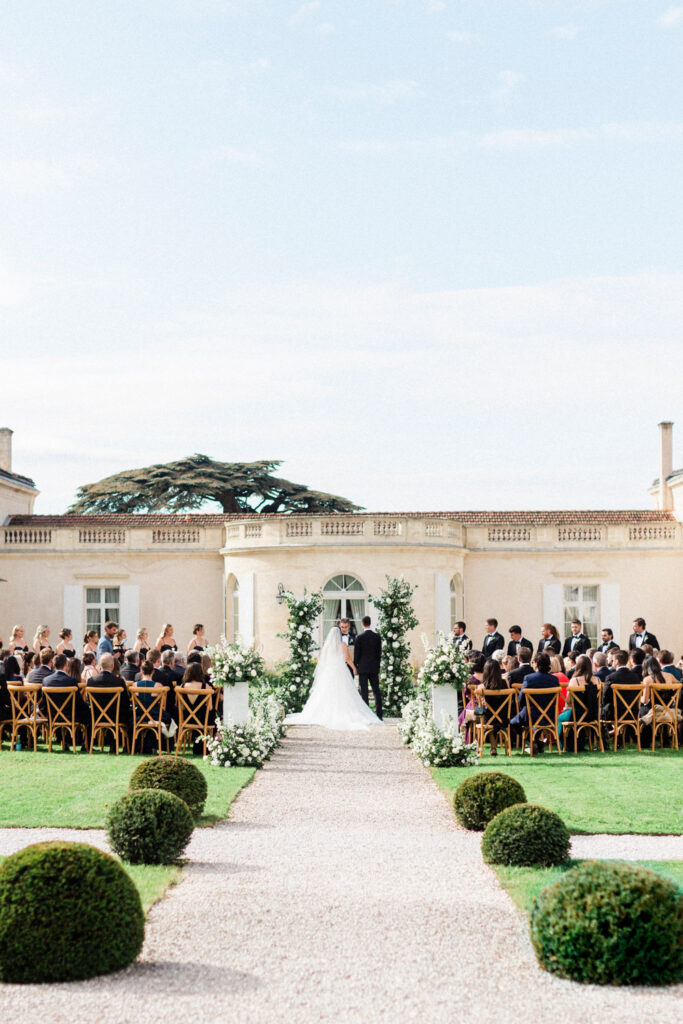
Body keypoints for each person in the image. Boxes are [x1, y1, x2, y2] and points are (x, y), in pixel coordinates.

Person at [285, 626, 380, 730]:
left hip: (329, 671)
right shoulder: (343, 645)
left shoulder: (326, 646)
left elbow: (322, 660)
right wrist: (354, 668)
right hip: (341, 670)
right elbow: (347, 658)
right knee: (344, 692)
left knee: (326, 692)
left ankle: (326, 712)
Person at [510, 651, 559, 752]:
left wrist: (524, 709)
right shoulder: (554, 680)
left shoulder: (529, 678)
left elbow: (521, 700)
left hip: (531, 715)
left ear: (536, 663)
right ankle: (538, 742)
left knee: (512, 723)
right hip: (550, 715)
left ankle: (531, 742)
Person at [558, 654, 600, 750]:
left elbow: (568, 701)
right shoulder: (597, 680)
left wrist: (565, 707)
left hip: (577, 714)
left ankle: (563, 745)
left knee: (560, 718)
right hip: (593, 714)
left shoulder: (574, 681)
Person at [475, 657, 509, 755]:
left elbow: (479, 708)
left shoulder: (481, 687)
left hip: (488, 719)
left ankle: (482, 745)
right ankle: (493, 747)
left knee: (484, 716)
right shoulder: (505, 683)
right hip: (503, 717)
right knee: (493, 716)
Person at [353, 615, 383, 720]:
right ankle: (379, 715)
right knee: (376, 691)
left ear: (362, 624)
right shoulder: (377, 637)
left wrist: (355, 666)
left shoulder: (359, 638)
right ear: (370, 623)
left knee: (364, 692)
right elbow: (379, 654)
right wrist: (377, 666)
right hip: (374, 668)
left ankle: (366, 716)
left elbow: (356, 655)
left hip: (362, 668)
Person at [601, 649, 639, 723]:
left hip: (615, 713)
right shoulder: (635, 677)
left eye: (613, 660)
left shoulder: (611, 677)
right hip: (633, 713)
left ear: (617, 662)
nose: (612, 663)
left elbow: (605, 698)